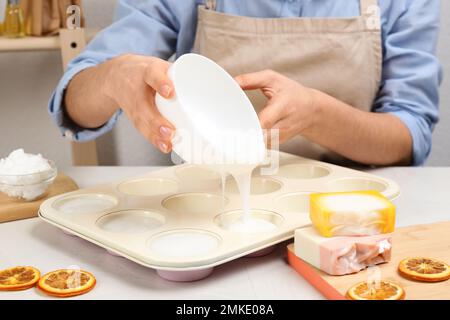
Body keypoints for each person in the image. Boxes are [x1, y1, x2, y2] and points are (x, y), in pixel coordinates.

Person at [49, 0, 441, 166]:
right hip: (212, 211)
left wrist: (318, 115)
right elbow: (74, 108)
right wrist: (111, 78)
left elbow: (409, 136)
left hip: (347, 217)